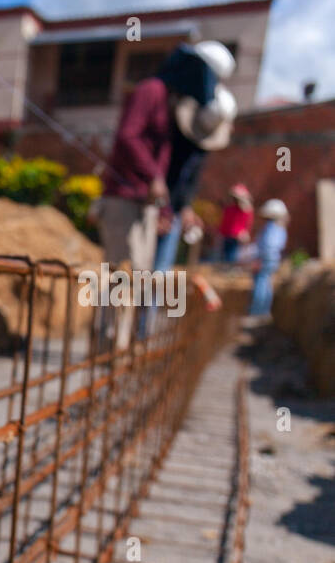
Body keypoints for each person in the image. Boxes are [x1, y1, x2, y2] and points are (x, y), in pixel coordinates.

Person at [97, 43, 219, 348]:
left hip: (145, 206)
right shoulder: (150, 91)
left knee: (137, 277)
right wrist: (152, 175)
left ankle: (120, 346)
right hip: (123, 199)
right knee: (118, 272)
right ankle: (105, 343)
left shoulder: (170, 104)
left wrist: (164, 211)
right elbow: (128, 135)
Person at [153, 41, 237, 274]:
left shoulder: (201, 138)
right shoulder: (165, 108)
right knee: (145, 271)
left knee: (159, 274)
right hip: (153, 204)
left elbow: (189, 176)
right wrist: (164, 208)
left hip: (169, 210)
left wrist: (184, 207)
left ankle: (147, 310)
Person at [249, 199, 288, 316]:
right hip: (273, 259)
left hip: (266, 258)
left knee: (261, 282)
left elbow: (268, 246)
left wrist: (260, 260)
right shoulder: (280, 228)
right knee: (266, 282)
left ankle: (257, 311)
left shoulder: (270, 228)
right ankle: (264, 311)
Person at [219, 184, 253, 263]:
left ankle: (230, 267)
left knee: (233, 254)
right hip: (227, 234)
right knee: (226, 253)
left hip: (237, 235)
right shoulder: (230, 209)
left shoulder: (245, 210)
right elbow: (225, 222)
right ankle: (226, 267)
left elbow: (247, 222)